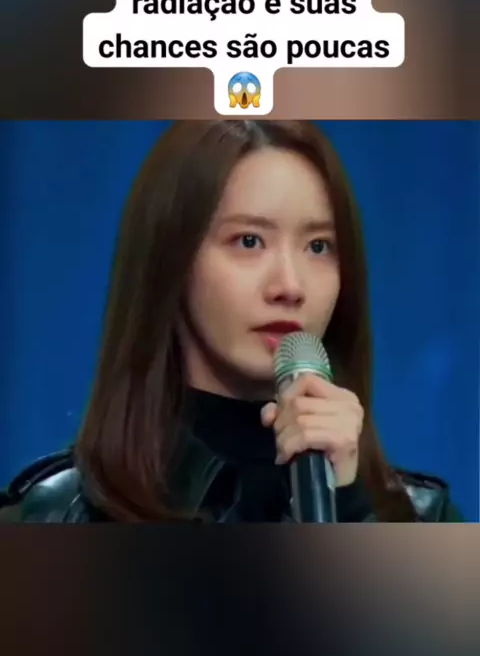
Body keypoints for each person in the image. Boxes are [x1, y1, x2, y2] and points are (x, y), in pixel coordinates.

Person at [0, 121, 463, 523]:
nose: (290, 285)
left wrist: (349, 508)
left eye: (318, 246)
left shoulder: (423, 519)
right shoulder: (54, 516)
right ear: (171, 262)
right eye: (249, 241)